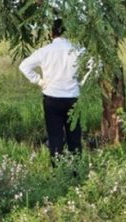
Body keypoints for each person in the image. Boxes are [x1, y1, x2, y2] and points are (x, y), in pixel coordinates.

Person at [19, 19, 83, 165]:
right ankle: (76, 170)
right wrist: (82, 81)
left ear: (51, 33)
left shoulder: (45, 51)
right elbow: (95, 64)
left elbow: (24, 66)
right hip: (73, 97)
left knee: (55, 137)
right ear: (67, 32)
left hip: (52, 98)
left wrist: (39, 81)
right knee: (74, 137)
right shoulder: (77, 49)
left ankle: (57, 171)